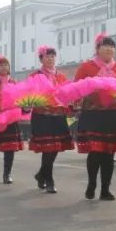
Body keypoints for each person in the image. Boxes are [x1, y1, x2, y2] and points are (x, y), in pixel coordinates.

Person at [73, 34, 116, 201]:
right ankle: (91, 184)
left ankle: (105, 189)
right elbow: (76, 88)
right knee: (95, 152)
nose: (110, 49)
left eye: (112, 46)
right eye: (106, 46)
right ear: (97, 49)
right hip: (93, 115)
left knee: (109, 154)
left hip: (112, 115)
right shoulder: (86, 67)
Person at [30, 46, 74, 194]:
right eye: (47, 56)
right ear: (41, 59)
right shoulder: (35, 75)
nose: (50, 59)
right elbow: (29, 95)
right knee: (48, 148)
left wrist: (70, 108)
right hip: (42, 116)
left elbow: (66, 95)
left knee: (55, 148)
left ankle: (41, 175)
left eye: (53, 56)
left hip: (58, 116)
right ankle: (49, 180)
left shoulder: (61, 76)